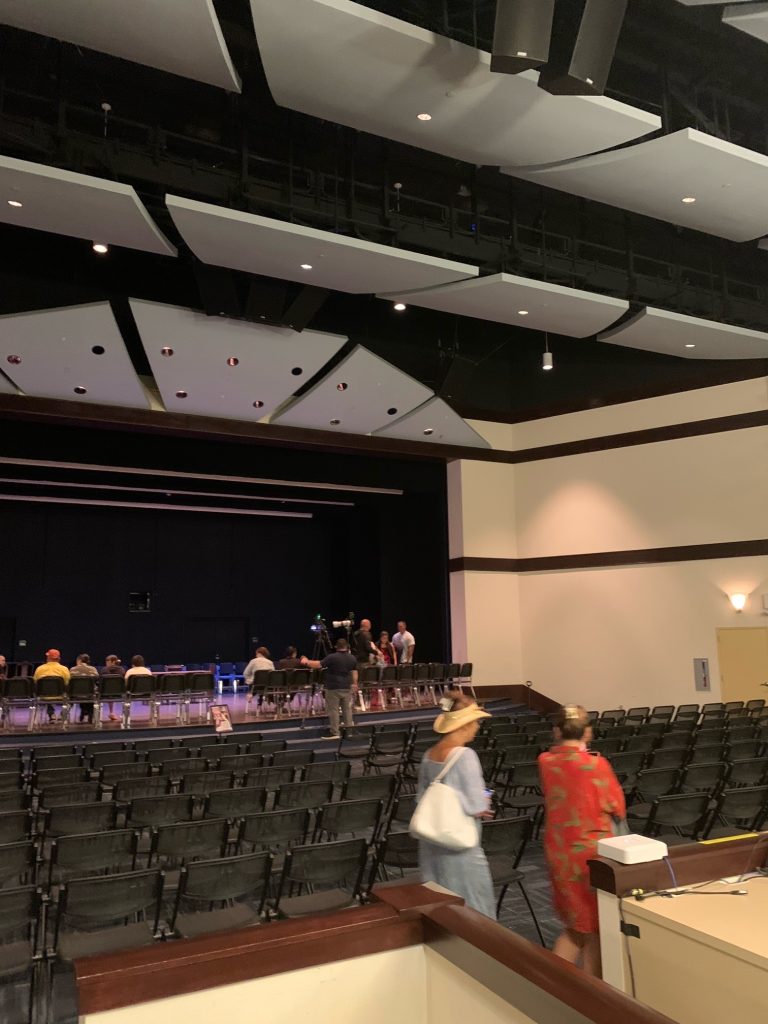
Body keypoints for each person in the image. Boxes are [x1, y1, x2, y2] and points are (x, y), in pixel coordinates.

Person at [538, 704, 626, 978]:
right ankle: (570, 985)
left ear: (556, 731)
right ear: (588, 732)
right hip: (591, 854)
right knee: (589, 925)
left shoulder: (545, 762)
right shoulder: (596, 764)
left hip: (560, 851)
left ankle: (581, 986)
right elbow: (617, 807)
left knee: (581, 924)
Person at [416, 690, 495, 917]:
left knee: (442, 909)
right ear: (463, 725)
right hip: (460, 846)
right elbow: (475, 805)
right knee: (474, 911)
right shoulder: (465, 756)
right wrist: (484, 799)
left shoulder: (428, 754)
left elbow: (420, 798)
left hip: (432, 843)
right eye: (475, 721)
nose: (478, 726)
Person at [300, 638, 357, 739]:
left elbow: (318, 665)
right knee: (347, 710)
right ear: (347, 647)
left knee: (333, 710)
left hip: (333, 687)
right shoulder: (352, 658)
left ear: (336, 647)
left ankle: (335, 732)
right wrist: (355, 683)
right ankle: (349, 732)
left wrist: (306, 662)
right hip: (346, 686)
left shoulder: (332, 657)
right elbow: (354, 672)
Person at [33, 648, 70, 722]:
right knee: (68, 697)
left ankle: (51, 715)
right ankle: (62, 715)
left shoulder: (39, 669)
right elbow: (67, 683)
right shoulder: (64, 669)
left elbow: (35, 682)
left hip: (42, 696)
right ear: (59, 658)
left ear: (48, 658)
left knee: (48, 693)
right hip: (60, 695)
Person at [69, 653, 98, 724]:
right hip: (90, 694)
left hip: (75, 695)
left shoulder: (72, 670)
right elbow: (97, 679)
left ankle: (84, 711)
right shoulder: (93, 669)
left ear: (79, 660)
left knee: (81, 691)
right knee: (89, 692)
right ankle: (88, 713)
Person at [101, 654, 125, 722]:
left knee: (110, 690)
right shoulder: (122, 670)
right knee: (112, 690)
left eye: (107, 661)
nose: (106, 663)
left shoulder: (103, 670)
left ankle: (111, 713)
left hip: (105, 693)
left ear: (113, 661)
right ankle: (112, 713)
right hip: (119, 693)